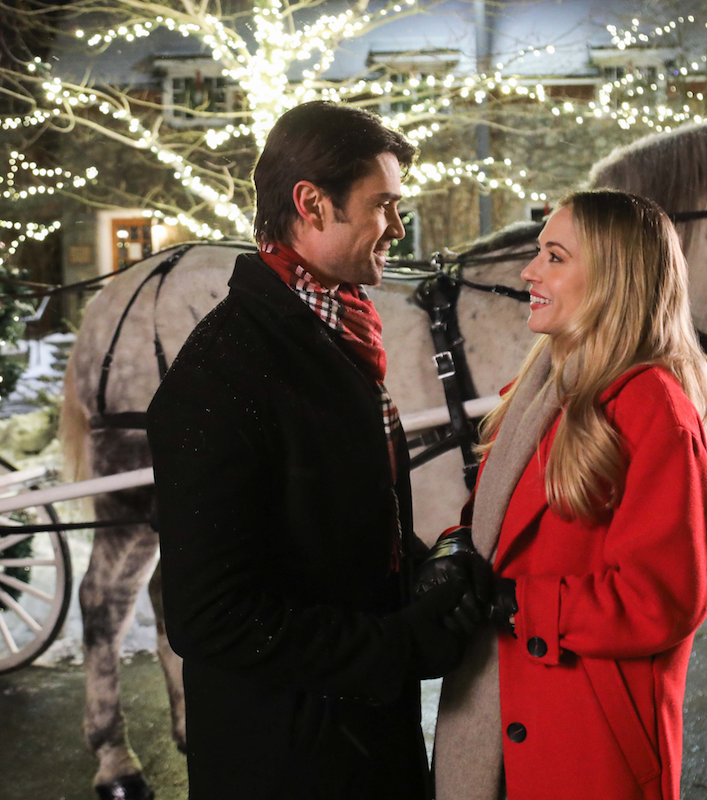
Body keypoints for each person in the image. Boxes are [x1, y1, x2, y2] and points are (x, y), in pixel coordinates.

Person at [147, 101, 477, 799]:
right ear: (311, 203)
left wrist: (424, 575)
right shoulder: (223, 372)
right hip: (286, 762)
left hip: (354, 741)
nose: (397, 226)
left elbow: (334, 521)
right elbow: (210, 617)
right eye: (383, 205)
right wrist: (400, 645)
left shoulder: (332, 335)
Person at [422, 190, 707, 800]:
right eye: (538, 253)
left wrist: (514, 605)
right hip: (496, 721)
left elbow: (661, 597)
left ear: (613, 279)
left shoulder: (653, 408)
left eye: (554, 257)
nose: (530, 272)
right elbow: (499, 521)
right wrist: (458, 552)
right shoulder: (538, 390)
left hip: (586, 741)